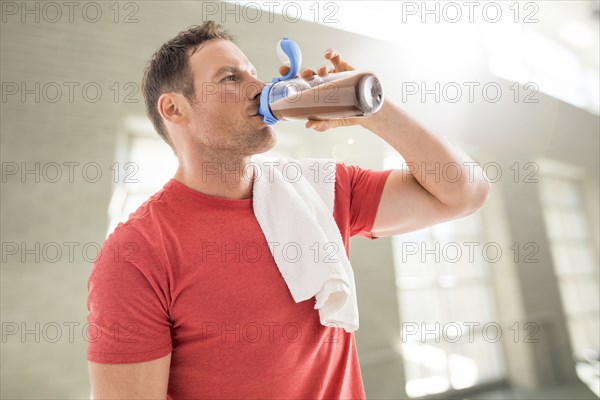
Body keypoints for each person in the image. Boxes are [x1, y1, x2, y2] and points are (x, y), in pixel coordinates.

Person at [86, 21, 491, 399]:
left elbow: (464, 193)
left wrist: (374, 110)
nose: (259, 86)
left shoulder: (318, 191)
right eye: (231, 78)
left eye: (252, 73)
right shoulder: (135, 255)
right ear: (175, 109)